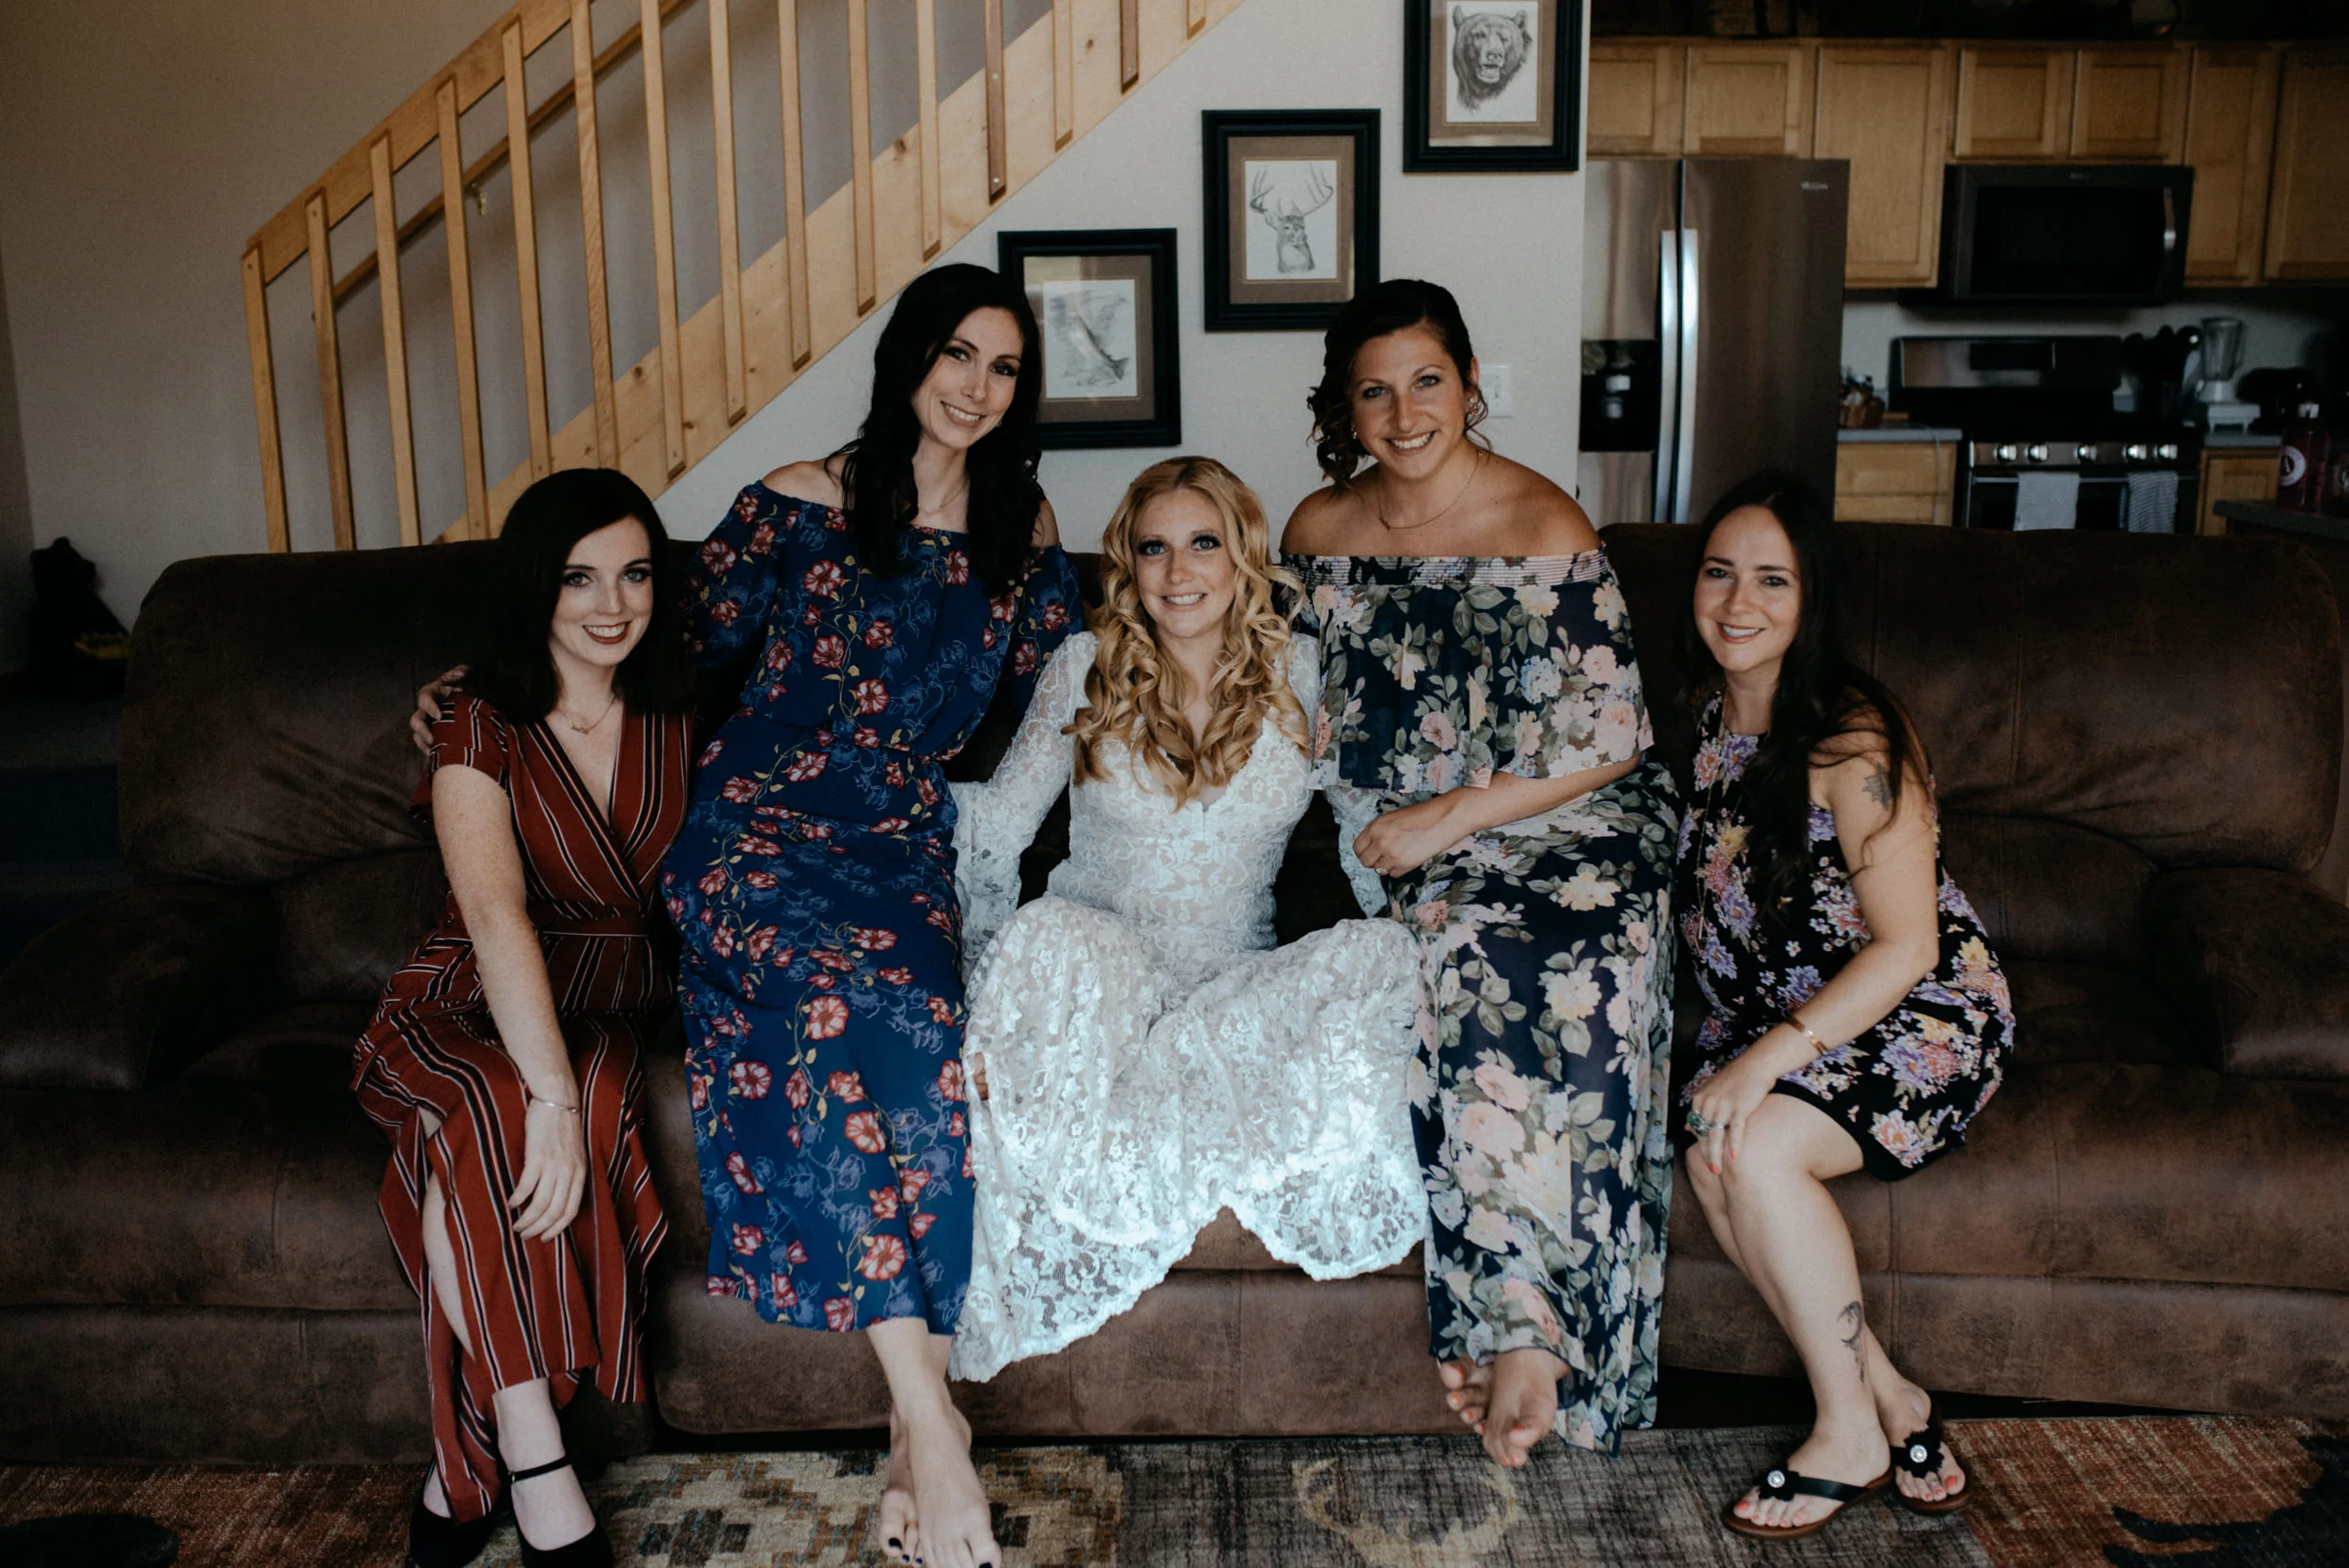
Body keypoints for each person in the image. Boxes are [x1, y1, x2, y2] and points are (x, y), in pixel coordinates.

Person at [662, 263, 1079, 1568]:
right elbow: (660, 648)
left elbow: (1083, 686)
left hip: (901, 846)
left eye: (1004, 367)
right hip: (761, 837)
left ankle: (911, 1442)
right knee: (835, 1007)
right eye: (957, 354)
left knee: (928, 1037)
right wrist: (483, 677)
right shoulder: (799, 500)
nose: (976, 387)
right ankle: (933, 1430)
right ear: (909, 358)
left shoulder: (1028, 531)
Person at [1282, 279, 1680, 1469]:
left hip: (1572, 819)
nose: (1404, 412)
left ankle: (1549, 1340)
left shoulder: (1542, 522)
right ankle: (1522, 1332)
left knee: (1591, 977)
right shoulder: (1316, 531)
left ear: (1466, 387)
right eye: (1374, 388)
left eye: (1426, 381)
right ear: (1343, 408)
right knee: (1467, 958)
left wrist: (1453, 815)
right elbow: (1280, 700)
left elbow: (1610, 735)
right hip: (1409, 842)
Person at [945, 456, 1423, 1383]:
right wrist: (979, 1002)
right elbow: (998, 830)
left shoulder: (1304, 673)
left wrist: (1416, 952)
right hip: (1101, 977)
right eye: (1153, 548)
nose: (1178, 572)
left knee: (1384, 955)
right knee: (1053, 932)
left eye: (1202, 542)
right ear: (1127, 563)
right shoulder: (1084, 668)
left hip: (1230, 987)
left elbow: (1372, 839)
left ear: (1242, 555)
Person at [357, 469, 693, 1568]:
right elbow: (496, 913)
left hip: (608, 1000)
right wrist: (543, 1094)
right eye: (578, 577)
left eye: (635, 573)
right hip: (465, 995)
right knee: (491, 1104)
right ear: (532, 588)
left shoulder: (683, 706)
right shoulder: (473, 714)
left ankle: (462, 1474)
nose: (612, 604)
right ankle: (536, 1454)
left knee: (592, 1092)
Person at [1674, 471, 2013, 1541]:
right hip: (1790, 1014)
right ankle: (1896, 1397)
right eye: (1720, 572)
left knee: (1758, 1146)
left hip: (1910, 1012)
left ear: (1812, 600)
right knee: (1711, 1148)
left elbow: (1909, 945)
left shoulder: (1853, 745)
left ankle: (1845, 1432)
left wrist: (1768, 1054)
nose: (1739, 601)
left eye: (1773, 580)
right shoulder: (1698, 720)